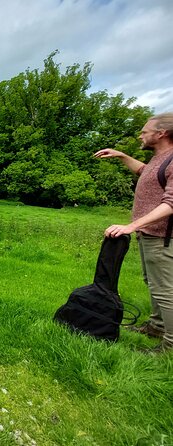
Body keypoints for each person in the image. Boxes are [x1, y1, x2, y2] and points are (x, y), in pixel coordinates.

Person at [94, 112, 173, 353]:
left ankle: (170, 346)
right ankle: (157, 326)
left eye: (145, 131)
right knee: (153, 283)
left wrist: (131, 226)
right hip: (151, 235)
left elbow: (171, 203)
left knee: (166, 289)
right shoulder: (160, 159)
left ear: (162, 133)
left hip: (164, 237)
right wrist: (122, 156)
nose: (141, 134)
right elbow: (145, 173)